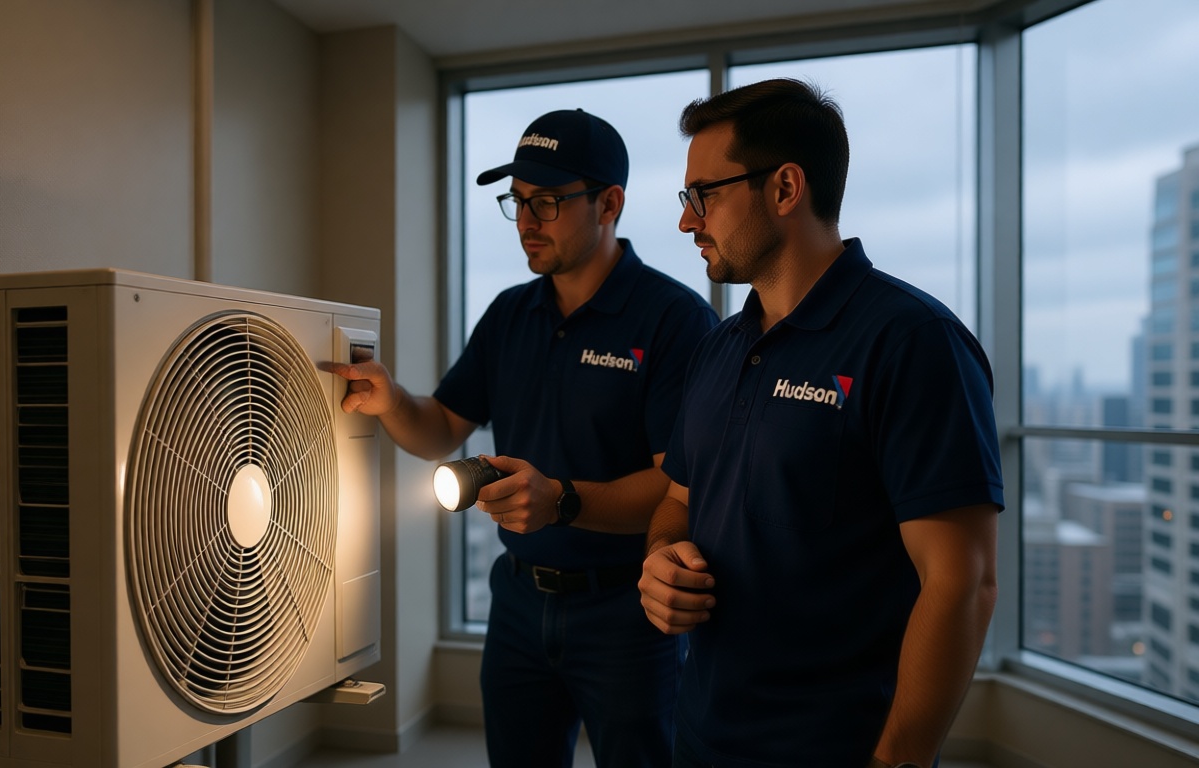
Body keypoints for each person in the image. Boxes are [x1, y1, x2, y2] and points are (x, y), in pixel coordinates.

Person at [328, 108, 718, 767]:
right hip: (517, 603)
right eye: (518, 201)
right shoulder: (512, 313)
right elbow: (439, 430)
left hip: (626, 610)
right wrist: (392, 399)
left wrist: (562, 498)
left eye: (548, 201)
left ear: (610, 203)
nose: (528, 221)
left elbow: (677, 485)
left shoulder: (674, 321)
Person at [638, 78, 1002, 768]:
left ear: (784, 189)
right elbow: (677, 502)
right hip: (701, 735)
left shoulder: (912, 341)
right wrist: (661, 558)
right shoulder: (718, 346)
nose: (688, 222)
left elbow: (962, 580)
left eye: (703, 196)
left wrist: (900, 757)